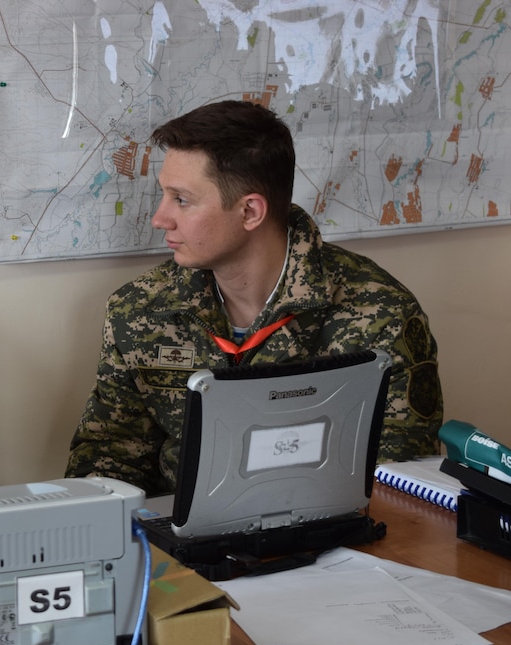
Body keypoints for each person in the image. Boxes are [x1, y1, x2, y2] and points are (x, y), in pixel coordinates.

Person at [66, 100, 442, 496]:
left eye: (182, 199)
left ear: (250, 212)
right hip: (179, 542)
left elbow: (399, 482)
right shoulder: (140, 310)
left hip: (330, 540)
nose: (160, 218)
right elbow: (108, 459)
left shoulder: (380, 314)